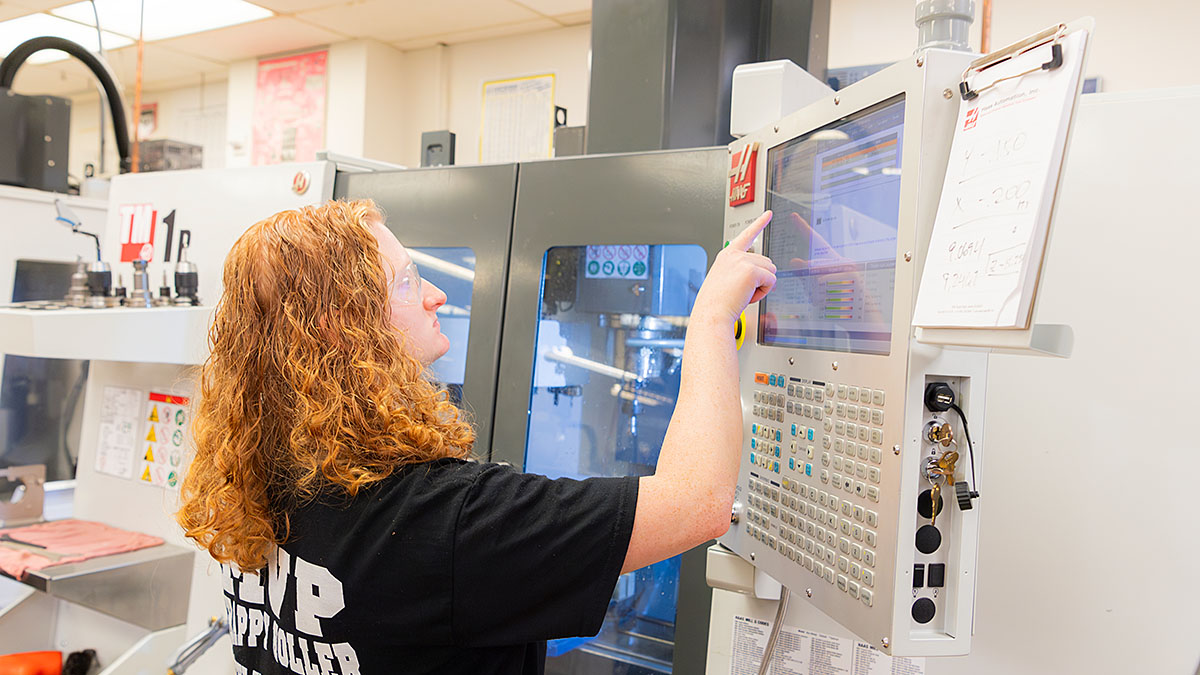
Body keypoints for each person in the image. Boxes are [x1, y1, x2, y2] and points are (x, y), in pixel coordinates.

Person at [176, 199, 776, 674]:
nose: (437, 296)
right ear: (344, 324)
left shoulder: (255, 484)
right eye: (408, 282)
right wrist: (713, 320)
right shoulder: (445, 521)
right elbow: (698, 502)